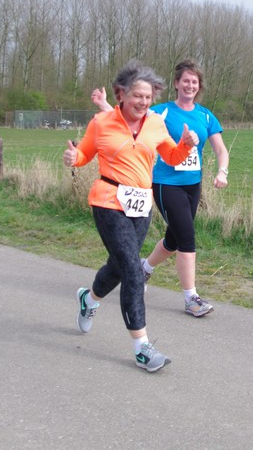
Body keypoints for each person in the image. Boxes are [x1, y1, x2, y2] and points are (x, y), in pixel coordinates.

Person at [64, 60, 199, 373]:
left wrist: (186, 144)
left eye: (148, 97)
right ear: (121, 94)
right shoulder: (101, 122)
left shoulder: (156, 125)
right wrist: (73, 157)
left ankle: (89, 299)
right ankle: (142, 347)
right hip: (108, 201)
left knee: (118, 267)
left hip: (141, 205)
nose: (143, 102)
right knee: (133, 271)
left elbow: (172, 157)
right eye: (138, 95)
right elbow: (84, 154)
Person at [92, 59, 229, 317]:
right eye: (185, 81)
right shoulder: (161, 112)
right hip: (166, 184)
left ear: (198, 86)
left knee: (174, 240)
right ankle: (191, 299)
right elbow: (127, 122)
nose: (190, 85)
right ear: (176, 83)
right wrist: (104, 105)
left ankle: (145, 269)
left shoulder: (205, 115)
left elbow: (221, 149)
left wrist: (222, 172)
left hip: (192, 185)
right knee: (187, 238)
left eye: (194, 82)